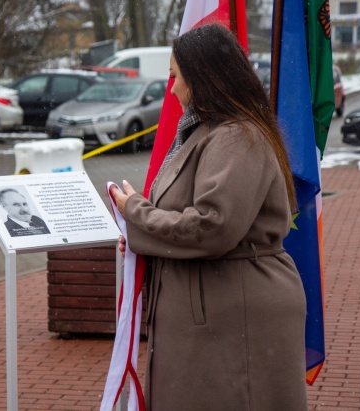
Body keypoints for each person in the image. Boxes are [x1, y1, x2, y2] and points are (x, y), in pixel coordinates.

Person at [110, 23, 308, 410]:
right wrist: (141, 239)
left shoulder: (236, 136)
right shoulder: (209, 132)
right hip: (215, 309)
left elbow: (213, 226)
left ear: (201, 77)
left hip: (234, 312)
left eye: (175, 76)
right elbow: (189, 218)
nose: (171, 89)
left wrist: (136, 213)